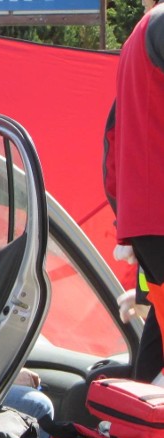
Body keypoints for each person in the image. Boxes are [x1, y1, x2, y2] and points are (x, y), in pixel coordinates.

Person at [103, 0, 164, 385]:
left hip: (146, 219)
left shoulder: (141, 35)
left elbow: (112, 143)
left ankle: (138, 436)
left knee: (157, 333)